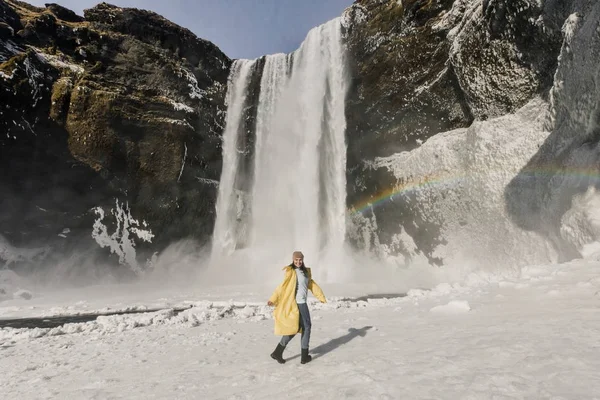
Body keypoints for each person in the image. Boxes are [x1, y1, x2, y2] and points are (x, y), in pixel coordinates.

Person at [267, 251, 326, 364]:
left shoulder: (305, 272)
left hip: (302, 303)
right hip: (298, 303)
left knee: (295, 328)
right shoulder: (291, 272)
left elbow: (311, 285)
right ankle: (304, 356)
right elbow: (281, 287)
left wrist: (321, 297)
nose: (298, 262)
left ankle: (277, 352)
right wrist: (273, 299)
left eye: (300, 260)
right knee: (307, 327)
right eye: (296, 260)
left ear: (302, 260)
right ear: (293, 260)